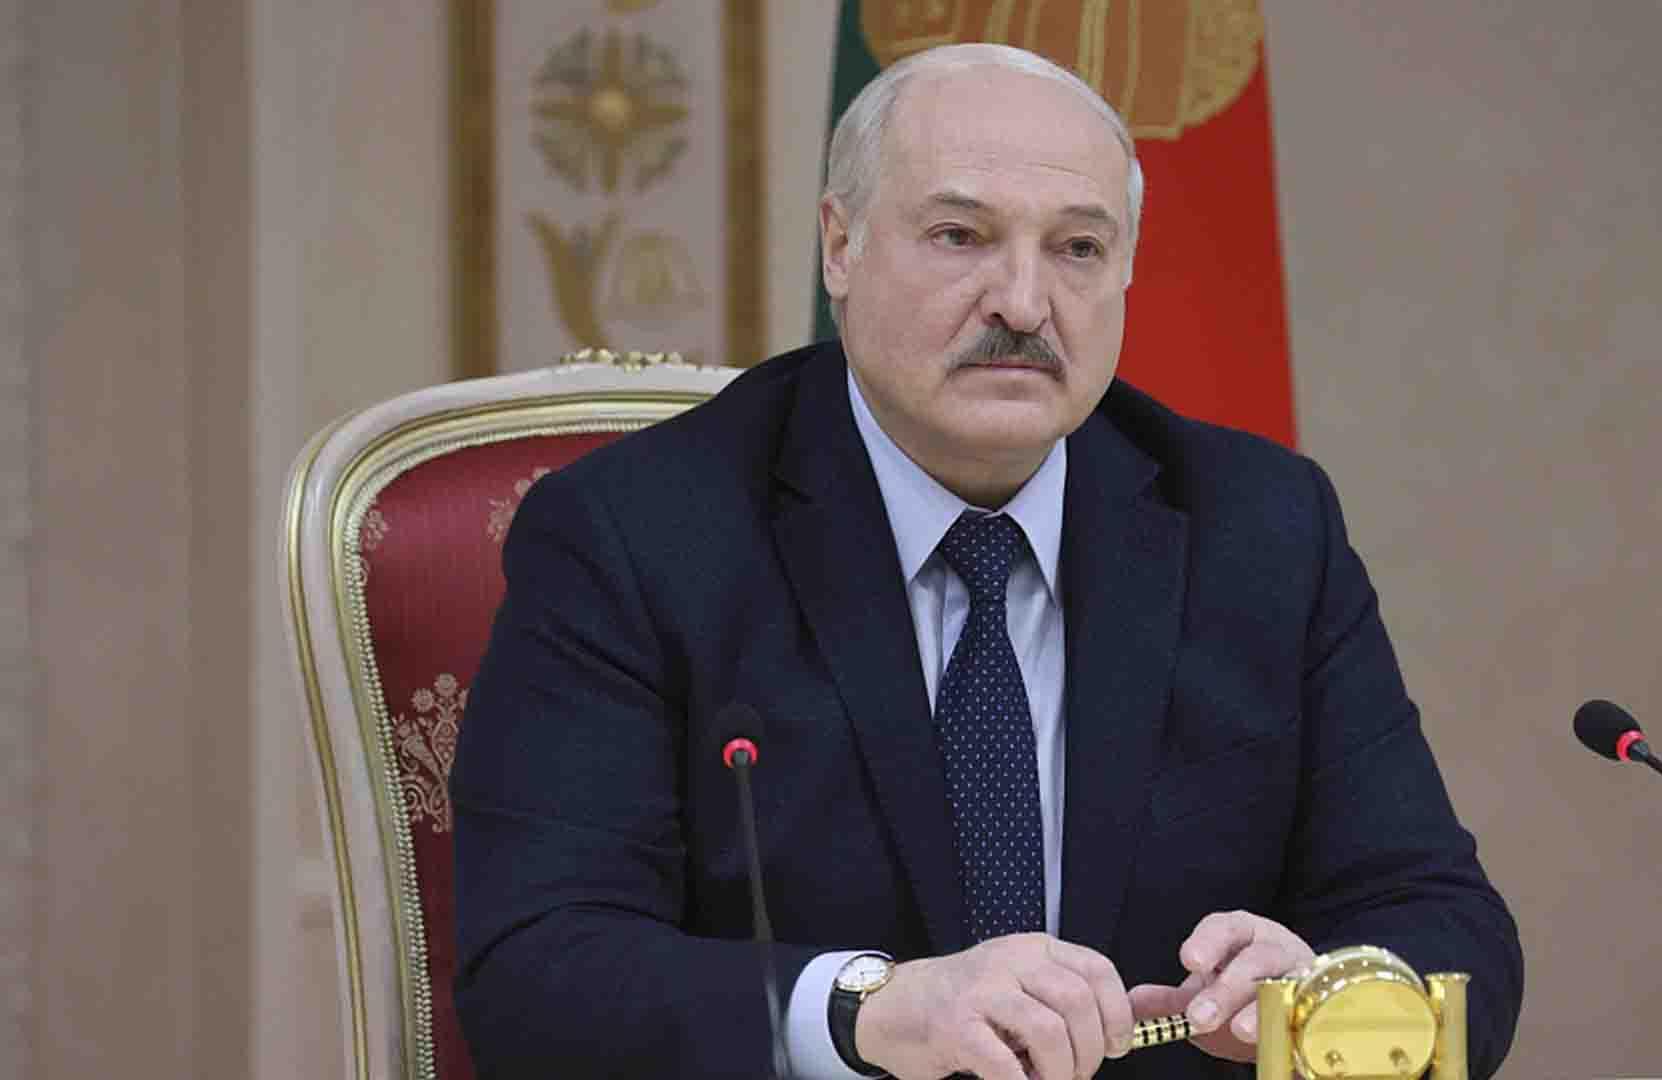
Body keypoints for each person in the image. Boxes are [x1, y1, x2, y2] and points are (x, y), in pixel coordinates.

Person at [452, 43, 1522, 1080]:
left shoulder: (1261, 528)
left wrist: (1326, 996)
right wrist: (866, 1012)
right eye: (960, 236)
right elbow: (535, 977)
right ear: (840, 246)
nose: (1023, 302)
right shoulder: (638, 534)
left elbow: (1448, 929)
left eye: (1078, 249)